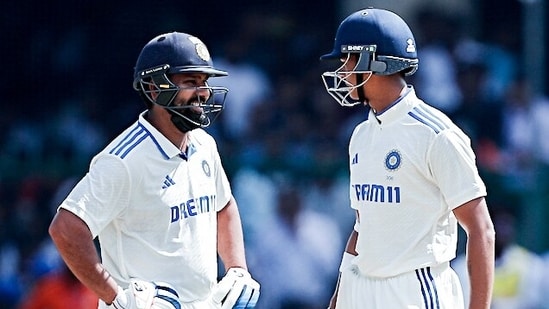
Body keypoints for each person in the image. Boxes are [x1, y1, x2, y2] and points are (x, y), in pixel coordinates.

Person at [48, 32, 260, 309]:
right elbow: (65, 228)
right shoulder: (122, 160)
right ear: (154, 89)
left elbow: (224, 205)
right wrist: (118, 298)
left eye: (205, 82)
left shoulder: (204, 144)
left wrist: (237, 269)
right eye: (190, 82)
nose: (204, 92)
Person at [319, 8, 495, 309]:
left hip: (414, 290)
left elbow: (481, 230)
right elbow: (363, 225)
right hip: (362, 287)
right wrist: (341, 293)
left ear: (373, 61)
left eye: (348, 59)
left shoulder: (436, 134)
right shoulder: (360, 134)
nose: (342, 71)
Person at [453, 205, 545, 309]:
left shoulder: (530, 264)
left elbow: (532, 302)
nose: (504, 231)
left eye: (508, 225)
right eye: (499, 224)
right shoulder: (462, 267)